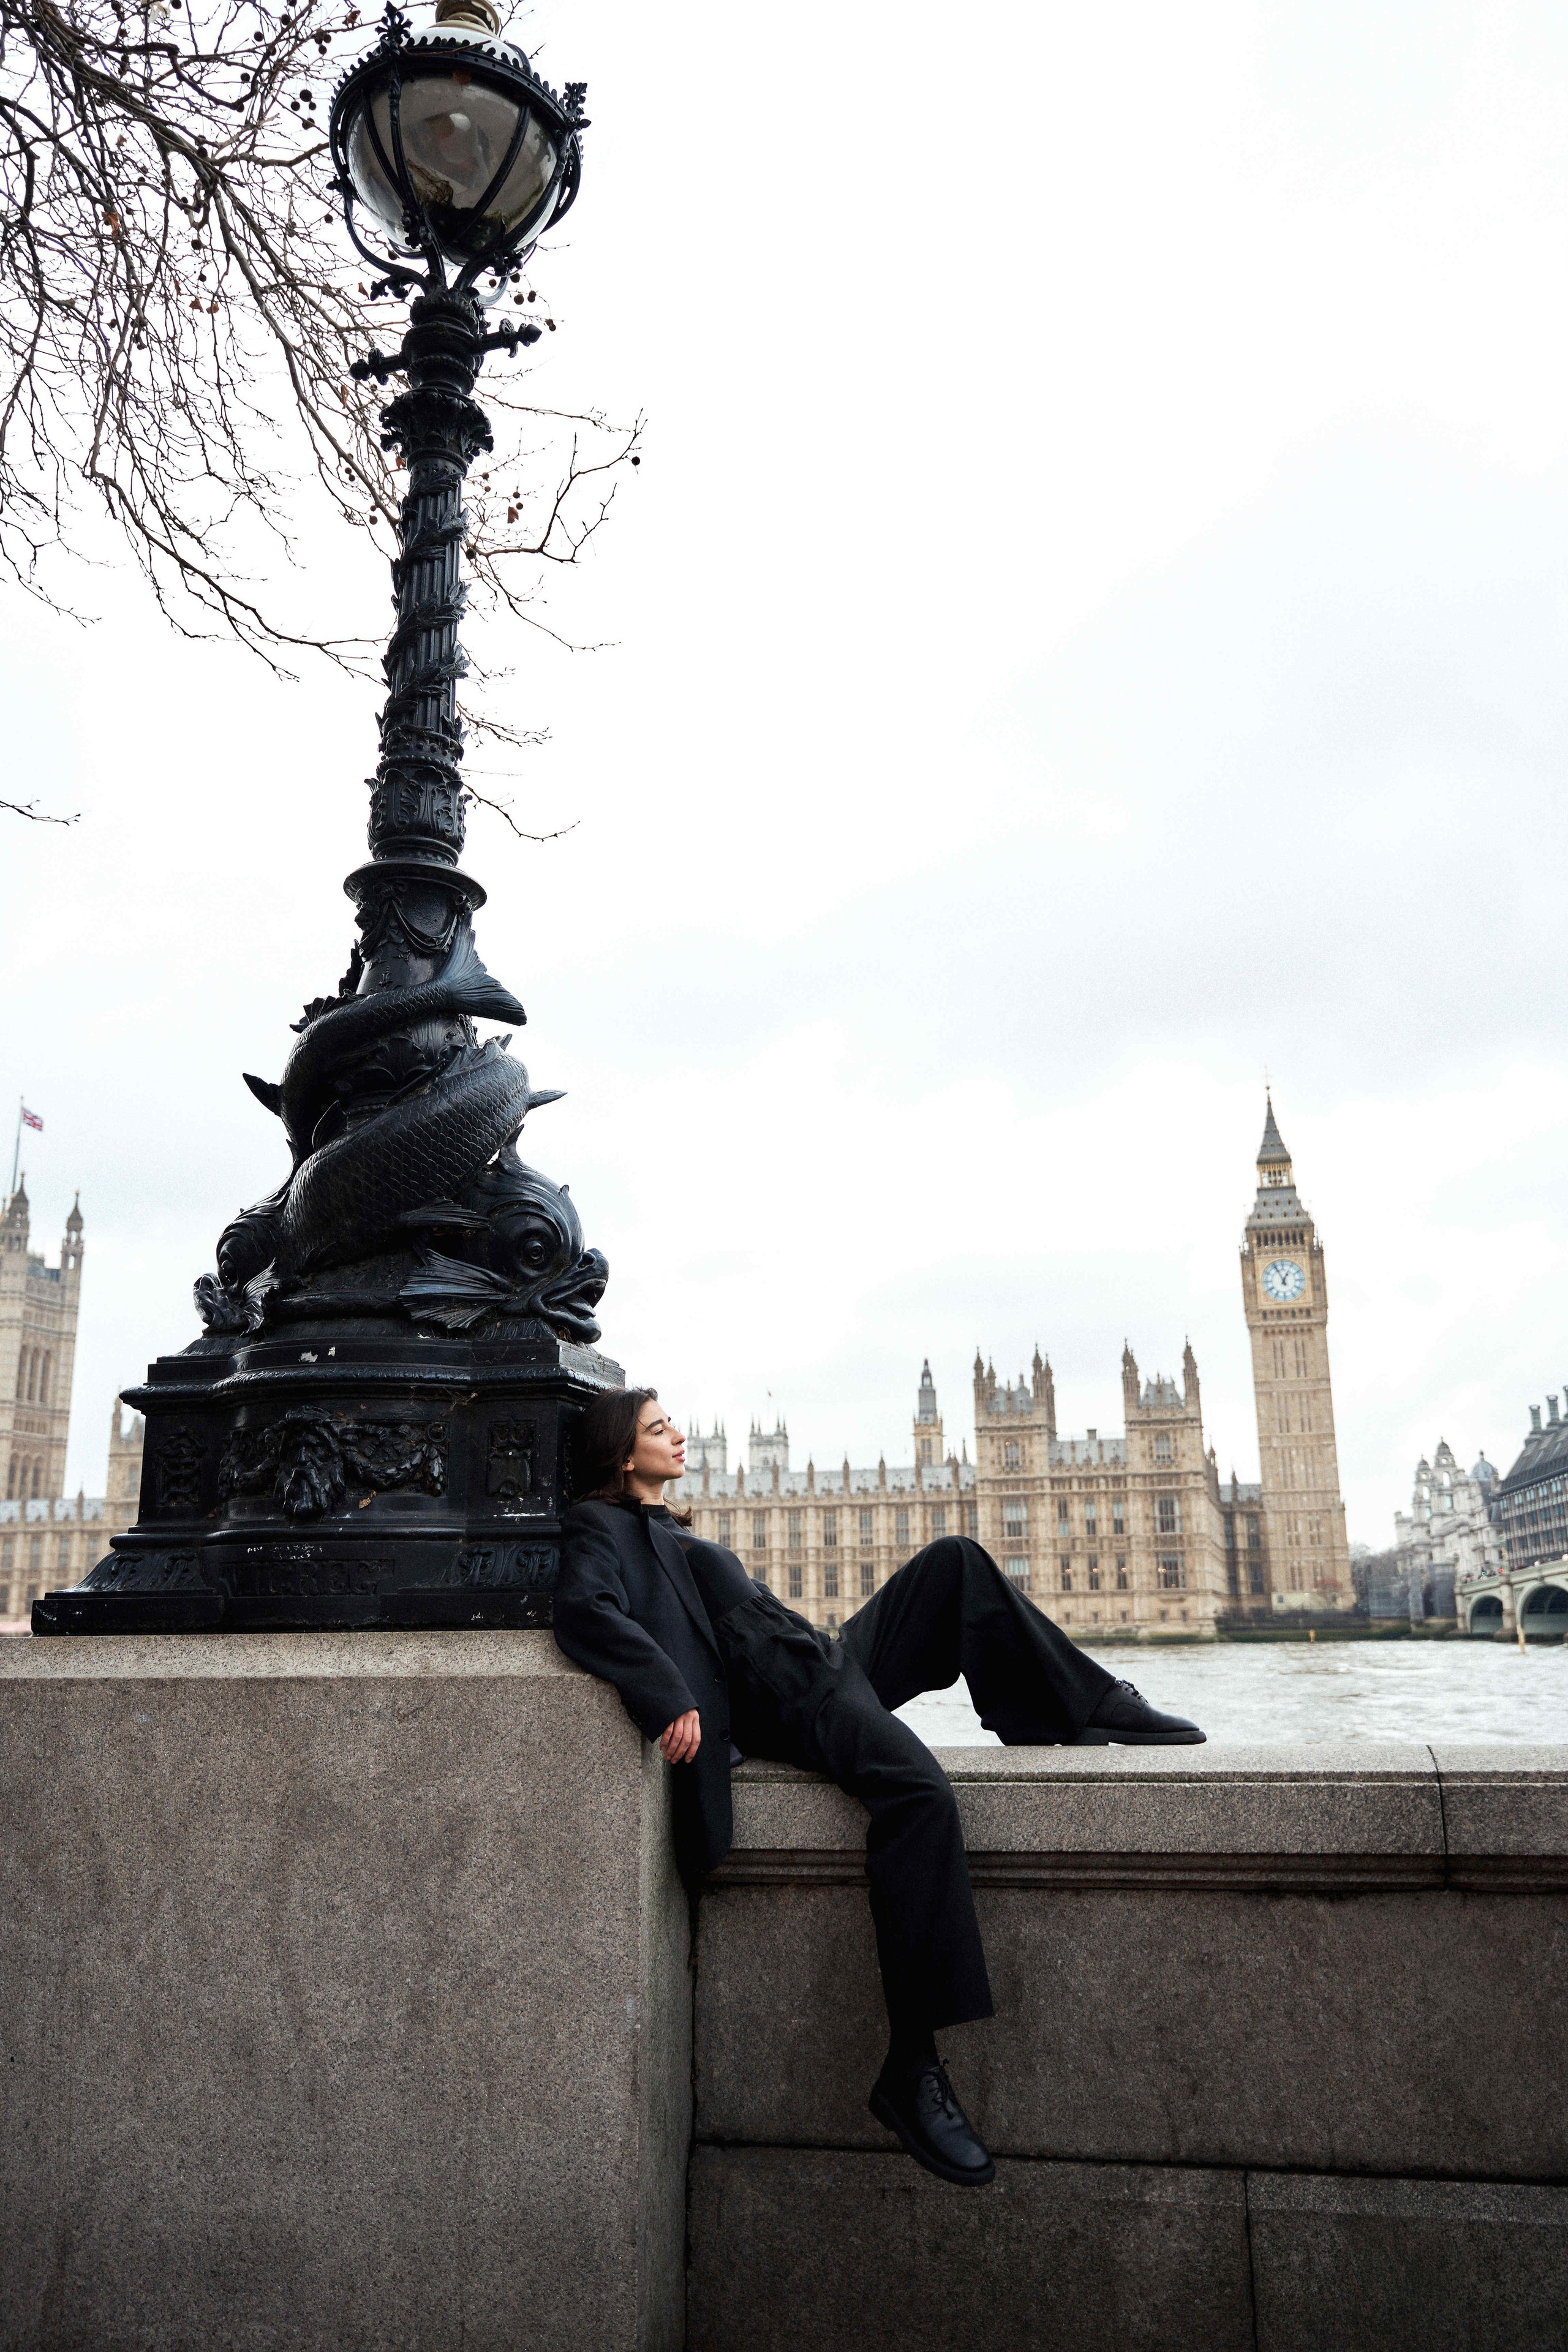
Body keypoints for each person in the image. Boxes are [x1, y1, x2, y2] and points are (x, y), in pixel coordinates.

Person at [552, 1388, 1204, 2189]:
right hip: (794, 1700)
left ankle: (1086, 1701)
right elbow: (585, 1611)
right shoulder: (600, 1526)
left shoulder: (671, 1529)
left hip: (819, 1659)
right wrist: (667, 1695)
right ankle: (912, 2063)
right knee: (920, 1796)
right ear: (622, 1455)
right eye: (659, 1429)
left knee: (954, 1561)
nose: (679, 1436)